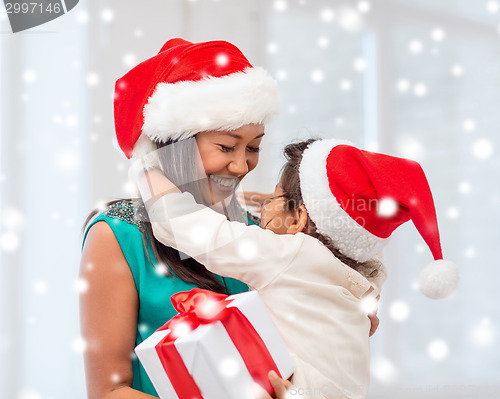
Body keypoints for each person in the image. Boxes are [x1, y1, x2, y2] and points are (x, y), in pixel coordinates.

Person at [135, 138, 459, 398]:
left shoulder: (289, 255)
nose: (263, 212)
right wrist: (276, 205)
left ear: (299, 219)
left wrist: (148, 169)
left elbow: (190, 228)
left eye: (275, 199)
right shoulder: (362, 277)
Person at [79, 38, 291, 398]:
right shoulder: (118, 235)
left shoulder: (255, 230)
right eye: (226, 146)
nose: (241, 166)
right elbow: (108, 392)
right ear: (173, 144)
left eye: (253, 147)